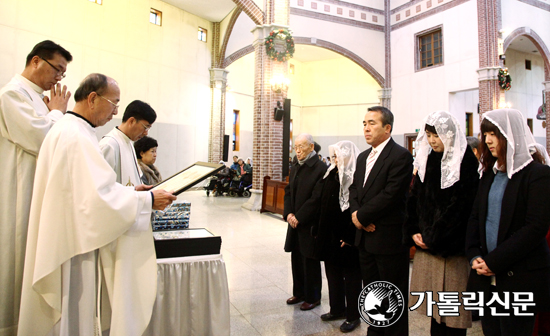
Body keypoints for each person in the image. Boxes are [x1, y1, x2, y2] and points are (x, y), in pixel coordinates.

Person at [18, 73, 176, 335]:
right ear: (92, 98)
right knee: (71, 311)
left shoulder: (75, 130)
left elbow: (89, 188)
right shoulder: (76, 136)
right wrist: (146, 199)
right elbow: (96, 200)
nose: (115, 112)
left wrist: (132, 191)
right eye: (114, 103)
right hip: (70, 247)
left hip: (68, 236)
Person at [0, 40, 72, 336]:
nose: (59, 77)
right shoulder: (11, 94)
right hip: (19, 192)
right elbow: (42, 138)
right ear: (35, 61)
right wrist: (56, 113)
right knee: (16, 258)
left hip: (39, 191)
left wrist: (52, 112)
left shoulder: (37, 98)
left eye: (63, 73)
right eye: (57, 69)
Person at [466, 108, 550, 336]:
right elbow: (475, 218)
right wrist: (474, 255)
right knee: (491, 331)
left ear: (511, 134)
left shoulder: (537, 174)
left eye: (494, 133)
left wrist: (494, 261)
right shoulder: (489, 173)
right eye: (485, 134)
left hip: (519, 276)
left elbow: (535, 228)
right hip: (486, 274)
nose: (488, 140)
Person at [405, 111, 479, 335]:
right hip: (428, 247)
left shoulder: (465, 161)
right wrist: (415, 231)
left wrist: (433, 237)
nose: (432, 140)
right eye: (428, 135)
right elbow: (415, 198)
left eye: (436, 135)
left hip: (451, 248)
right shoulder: (428, 158)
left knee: (453, 312)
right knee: (435, 310)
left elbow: (462, 207)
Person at [349, 106, 413, 336]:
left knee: (392, 296)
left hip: (388, 239)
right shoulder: (363, 156)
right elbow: (354, 189)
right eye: (364, 123)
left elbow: (391, 194)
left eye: (372, 123)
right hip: (365, 237)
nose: (366, 128)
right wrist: (357, 217)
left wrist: (362, 216)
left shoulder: (401, 155)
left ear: (387, 128)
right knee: (373, 294)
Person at [316, 141, 363, 332]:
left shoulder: (354, 176)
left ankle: (353, 315)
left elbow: (355, 208)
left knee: (351, 277)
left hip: (346, 236)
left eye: (338, 156)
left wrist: (350, 236)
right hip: (330, 234)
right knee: (332, 274)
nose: (335, 160)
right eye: (333, 156)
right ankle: (337, 309)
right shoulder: (331, 173)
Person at [284, 133, 327, 310]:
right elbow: (288, 191)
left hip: (308, 223)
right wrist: (288, 214)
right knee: (296, 258)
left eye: (301, 146)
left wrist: (299, 217)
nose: (298, 150)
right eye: (296, 147)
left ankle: (313, 296)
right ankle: (299, 292)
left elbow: (316, 198)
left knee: (309, 260)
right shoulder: (295, 165)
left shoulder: (320, 168)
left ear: (311, 147)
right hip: (294, 222)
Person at [99, 100, 156, 186]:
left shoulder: (128, 143)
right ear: (132, 121)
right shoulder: (109, 145)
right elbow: (102, 186)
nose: (146, 133)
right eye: (145, 127)